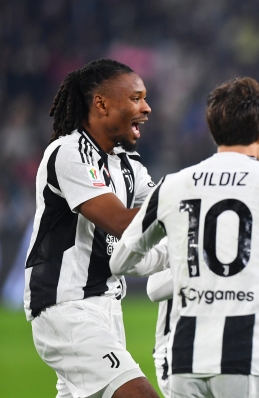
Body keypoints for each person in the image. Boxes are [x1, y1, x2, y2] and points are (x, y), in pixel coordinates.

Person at [110, 77, 259, 398]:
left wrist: (183, 255)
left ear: (213, 130)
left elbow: (122, 260)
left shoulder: (174, 185)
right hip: (252, 361)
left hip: (185, 363)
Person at [24, 59, 161, 398]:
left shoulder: (128, 165)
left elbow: (165, 203)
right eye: (136, 98)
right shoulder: (68, 153)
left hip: (107, 308)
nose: (146, 107)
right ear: (101, 103)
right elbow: (121, 221)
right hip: (67, 307)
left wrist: (236, 175)